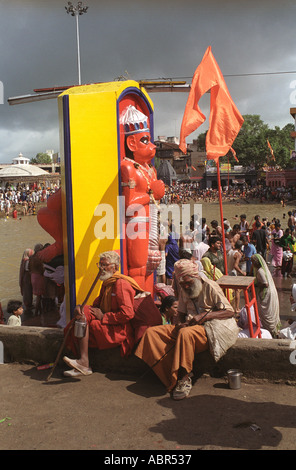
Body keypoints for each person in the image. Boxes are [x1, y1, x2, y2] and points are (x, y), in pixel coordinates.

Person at [134, 259, 236, 400]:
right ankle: (170, 374)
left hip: (208, 329)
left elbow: (230, 312)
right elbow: (180, 314)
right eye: (182, 283)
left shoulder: (210, 286)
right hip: (189, 327)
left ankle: (185, 378)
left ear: (196, 277)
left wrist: (204, 316)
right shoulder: (184, 289)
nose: (186, 286)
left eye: (188, 282)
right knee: (152, 333)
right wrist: (180, 323)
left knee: (185, 333)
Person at [63, 251, 143, 377]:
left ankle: (83, 362)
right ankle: (81, 362)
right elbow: (97, 305)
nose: (101, 268)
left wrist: (104, 317)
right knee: (82, 314)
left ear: (115, 267)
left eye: (105, 265)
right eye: (100, 265)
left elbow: (127, 314)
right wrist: (80, 308)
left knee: (91, 324)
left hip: (120, 329)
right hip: (111, 323)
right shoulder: (107, 282)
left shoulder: (121, 284)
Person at [250, 254, 280, 337]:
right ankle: (272, 331)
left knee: (266, 313)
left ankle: (270, 331)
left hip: (266, 294)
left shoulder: (260, 271)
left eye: (253, 262)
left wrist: (256, 285)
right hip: (269, 293)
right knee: (269, 312)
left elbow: (265, 284)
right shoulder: (263, 269)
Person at [19, 248, 34, 315]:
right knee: (28, 291)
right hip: (27, 278)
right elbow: (27, 269)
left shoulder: (24, 260)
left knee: (27, 291)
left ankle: (28, 304)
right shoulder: (27, 260)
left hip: (25, 278)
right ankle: (28, 305)